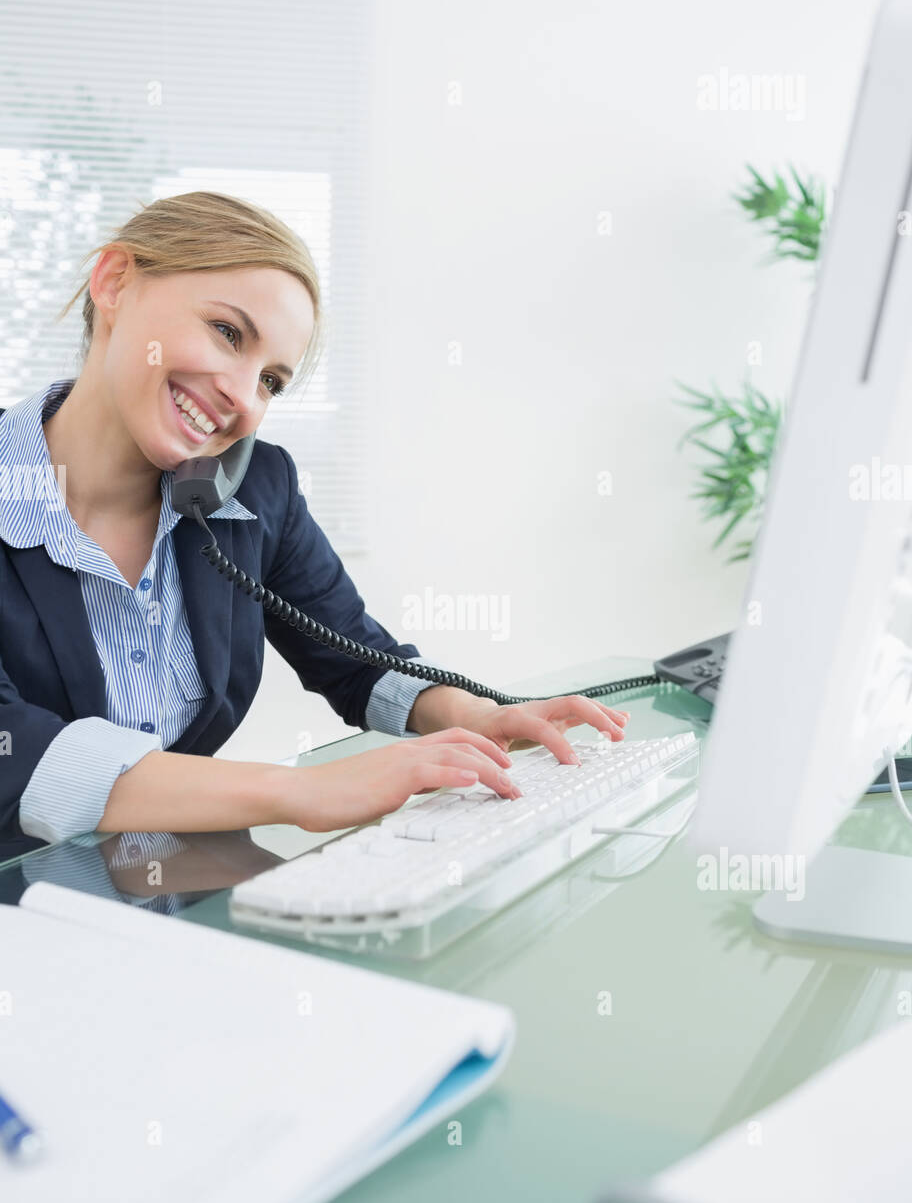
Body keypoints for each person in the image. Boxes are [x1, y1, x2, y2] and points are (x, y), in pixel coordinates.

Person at [0, 190, 628, 851]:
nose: (242, 398)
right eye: (227, 332)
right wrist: (300, 790)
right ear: (115, 282)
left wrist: (481, 716)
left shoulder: (252, 489)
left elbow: (357, 660)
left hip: (155, 883)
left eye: (271, 380)